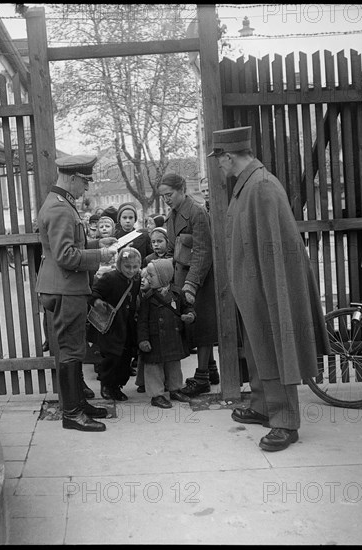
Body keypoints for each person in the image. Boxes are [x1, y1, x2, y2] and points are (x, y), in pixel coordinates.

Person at [209, 125, 330, 451]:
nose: (218, 165)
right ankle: (264, 406)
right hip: (253, 288)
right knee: (258, 348)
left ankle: (286, 422)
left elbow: (275, 250)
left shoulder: (261, 187)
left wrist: (272, 293)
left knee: (277, 349)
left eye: (219, 159)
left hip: (265, 288)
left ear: (229, 156)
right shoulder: (248, 184)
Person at [36, 154, 118, 432]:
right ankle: (72, 414)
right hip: (65, 288)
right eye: (84, 182)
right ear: (71, 178)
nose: (86, 188)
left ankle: (78, 405)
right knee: (71, 351)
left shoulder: (62, 204)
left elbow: (73, 244)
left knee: (75, 348)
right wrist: (102, 255)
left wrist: (97, 242)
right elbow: (66, 256)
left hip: (65, 286)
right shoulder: (60, 209)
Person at [157, 173, 219, 396]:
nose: (166, 199)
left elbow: (203, 251)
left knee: (202, 326)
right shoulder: (172, 214)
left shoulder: (197, 212)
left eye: (169, 194)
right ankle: (211, 369)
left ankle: (202, 377)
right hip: (183, 276)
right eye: (163, 196)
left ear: (182, 189)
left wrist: (191, 284)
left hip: (199, 277)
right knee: (196, 324)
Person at [137, 258, 196, 408]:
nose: (147, 278)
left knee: (174, 366)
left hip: (173, 337)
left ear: (163, 276)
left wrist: (190, 316)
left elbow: (187, 307)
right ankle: (156, 395)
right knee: (153, 368)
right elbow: (142, 321)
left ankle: (175, 388)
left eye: (151, 275)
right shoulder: (148, 298)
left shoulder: (177, 293)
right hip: (154, 339)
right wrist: (143, 339)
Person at [89, 247, 142, 401]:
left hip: (128, 325)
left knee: (125, 358)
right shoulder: (109, 278)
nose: (131, 270)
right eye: (127, 266)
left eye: (135, 267)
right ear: (119, 264)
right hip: (112, 326)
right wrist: (97, 301)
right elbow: (94, 292)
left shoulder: (137, 279)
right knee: (111, 357)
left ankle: (117, 386)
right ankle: (106, 384)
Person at [93, 215, 117, 280]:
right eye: (101, 227)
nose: (104, 228)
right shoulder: (95, 245)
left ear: (113, 228)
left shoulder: (117, 243)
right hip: (99, 276)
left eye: (107, 226)